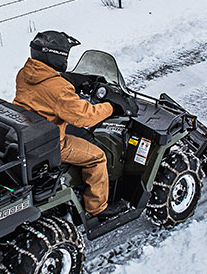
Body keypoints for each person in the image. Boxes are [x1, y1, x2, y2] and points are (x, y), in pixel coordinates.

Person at [13, 31, 126, 219]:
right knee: (97, 157)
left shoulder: (25, 73)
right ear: (56, 57)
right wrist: (112, 107)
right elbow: (85, 117)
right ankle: (97, 207)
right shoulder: (59, 89)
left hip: (28, 132)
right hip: (52, 144)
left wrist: (71, 80)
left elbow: (46, 88)